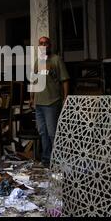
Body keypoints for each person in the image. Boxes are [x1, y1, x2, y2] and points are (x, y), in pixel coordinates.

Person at [29, 36, 69, 168]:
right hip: (39, 103)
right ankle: (46, 160)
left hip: (52, 102)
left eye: (46, 43)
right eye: (41, 43)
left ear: (50, 45)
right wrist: (31, 98)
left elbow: (65, 80)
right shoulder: (37, 62)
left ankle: (58, 161)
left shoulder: (56, 60)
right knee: (43, 132)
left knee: (53, 133)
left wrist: (65, 98)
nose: (43, 45)